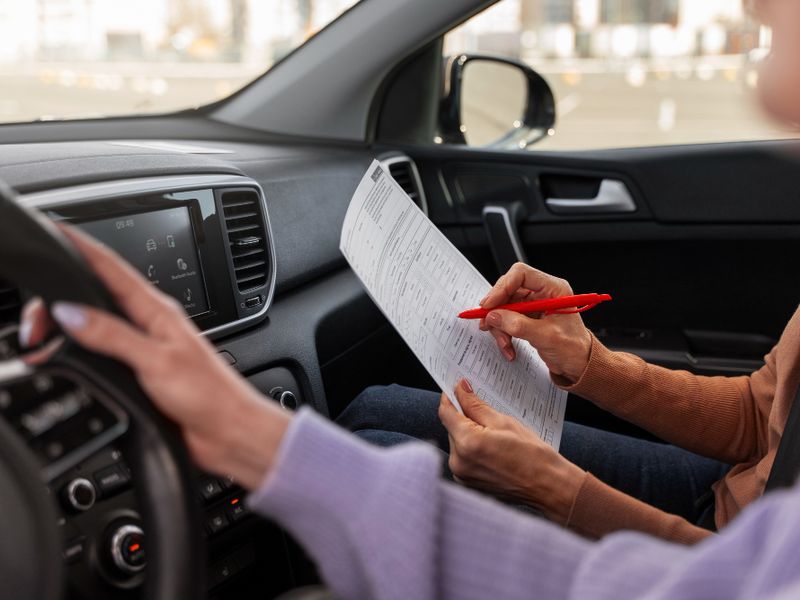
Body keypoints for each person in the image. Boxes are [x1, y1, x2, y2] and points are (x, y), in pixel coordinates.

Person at [21, 0, 800, 597]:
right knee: (384, 411)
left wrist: (555, 490)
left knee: (365, 479)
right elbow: (761, 415)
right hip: (741, 504)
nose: (756, 7)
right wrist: (588, 362)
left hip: (726, 547)